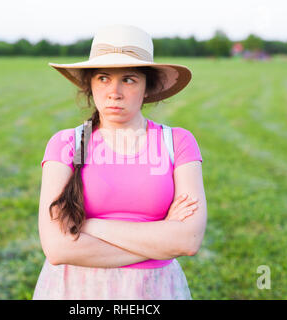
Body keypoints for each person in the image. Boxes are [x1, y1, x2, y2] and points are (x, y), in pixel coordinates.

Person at [33, 24, 207, 300]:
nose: (114, 92)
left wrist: (89, 225)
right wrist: (161, 240)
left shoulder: (178, 143)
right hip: (75, 290)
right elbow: (57, 248)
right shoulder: (64, 144)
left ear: (147, 87)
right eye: (103, 78)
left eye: (129, 79)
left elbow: (188, 240)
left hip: (153, 292)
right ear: (89, 83)